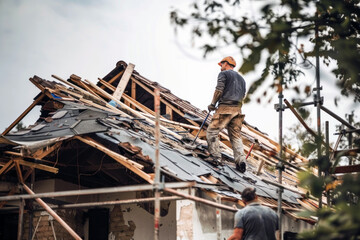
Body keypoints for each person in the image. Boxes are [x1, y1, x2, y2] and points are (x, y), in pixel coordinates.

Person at [206, 56, 247, 172]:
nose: (220, 67)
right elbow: (243, 95)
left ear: (226, 64)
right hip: (238, 110)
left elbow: (219, 90)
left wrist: (213, 104)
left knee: (212, 131)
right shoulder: (242, 79)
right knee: (235, 136)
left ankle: (215, 157)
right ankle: (241, 161)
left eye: (222, 64)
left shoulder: (223, 74)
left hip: (225, 108)